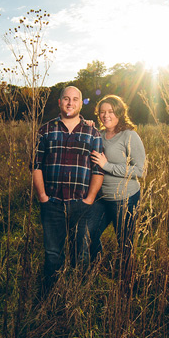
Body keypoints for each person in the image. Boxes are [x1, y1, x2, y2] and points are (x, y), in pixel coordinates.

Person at [31, 85, 104, 292]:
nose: (70, 103)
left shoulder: (92, 132)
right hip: (52, 203)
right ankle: (51, 298)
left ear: (81, 103)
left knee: (81, 254)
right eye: (66, 99)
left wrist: (89, 199)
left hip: (81, 205)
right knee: (53, 254)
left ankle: (77, 298)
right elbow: (36, 166)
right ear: (59, 102)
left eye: (75, 99)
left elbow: (98, 170)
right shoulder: (45, 130)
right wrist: (43, 197)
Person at [88, 95, 145, 278]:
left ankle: (127, 282)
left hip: (125, 199)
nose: (106, 115)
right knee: (88, 234)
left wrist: (107, 166)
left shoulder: (129, 135)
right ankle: (96, 269)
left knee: (125, 244)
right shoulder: (99, 134)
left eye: (111, 111)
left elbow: (140, 170)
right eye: (102, 112)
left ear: (119, 112)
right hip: (102, 197)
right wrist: (86, 126)